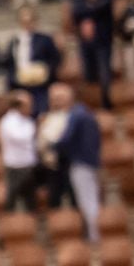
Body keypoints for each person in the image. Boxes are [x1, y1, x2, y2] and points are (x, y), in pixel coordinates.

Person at [49, 84, 103, 241]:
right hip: (90, 161)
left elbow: (66, 139)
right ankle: (94, 233)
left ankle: (94, 235)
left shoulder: (75, 115)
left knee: (87, 200)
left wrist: (52, 145)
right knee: (90, 198)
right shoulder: (86, 113)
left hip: (80, 161)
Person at [8, 5, 59, 114]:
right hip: (21, 86)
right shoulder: (15, 41)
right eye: (24, 21)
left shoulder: (45, 39)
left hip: (40, 87)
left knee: (41, 113)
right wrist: (14, 80)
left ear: (35, 21)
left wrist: (44, 73)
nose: (27, 24)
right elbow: (9, 64)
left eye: (30, 20)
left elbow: (55, 59)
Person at [0, 91, 41, 212]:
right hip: (16, 166)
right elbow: (21, 137)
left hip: (28, 164)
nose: (31, 108)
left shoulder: (26, 120)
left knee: (30, 199)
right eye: (28, 105)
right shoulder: (9, 121)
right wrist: (37, 128)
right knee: (12, 197)